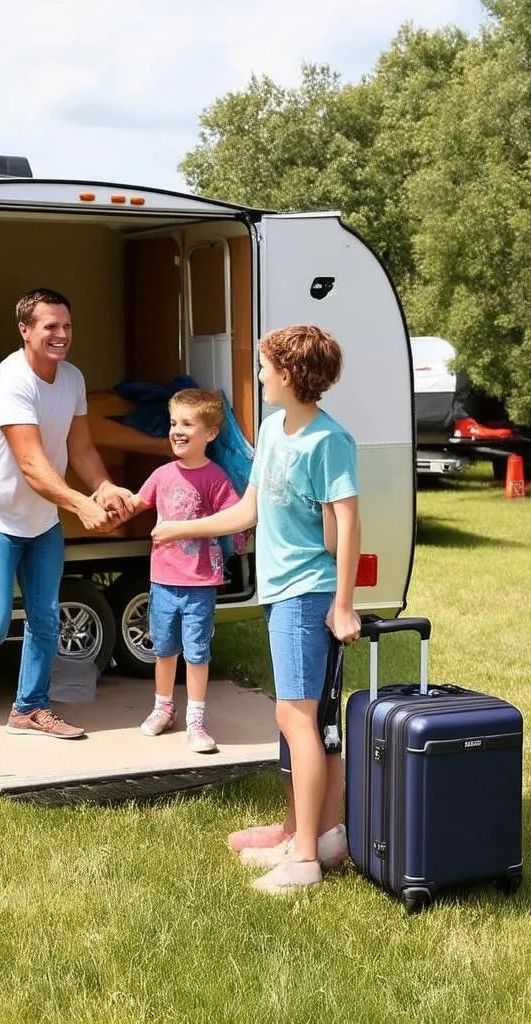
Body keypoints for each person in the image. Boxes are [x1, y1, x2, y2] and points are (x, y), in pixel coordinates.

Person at [152, 324, 361, 893]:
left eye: (266, 367)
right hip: (281, 593)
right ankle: (311, 833)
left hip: (306, 594)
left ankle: (305, 861)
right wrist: (179, 529)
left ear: (291, 374)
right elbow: (248, 511)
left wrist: (343, 605)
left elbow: (347, 524)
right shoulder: (273, 429)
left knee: (298, 720)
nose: (259, 375)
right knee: (311, 723)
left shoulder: (328, 441)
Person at [0, 287, 135, 739]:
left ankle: (30, 708)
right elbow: (33, 465)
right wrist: (81, 504)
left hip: (43, 524)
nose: (61, 335)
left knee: (45, 617)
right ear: (25, 330)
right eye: (50, 327)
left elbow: (79, 448)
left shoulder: (73, 379)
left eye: (67, 326)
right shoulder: (9, 381)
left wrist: (103, 487)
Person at [132, 388, 242, 753]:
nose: (177, 430)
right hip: (163, 581)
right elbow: (136, 502)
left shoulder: (215, 478)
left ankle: (196, 720)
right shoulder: (162, 475)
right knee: (164, 650)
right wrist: (109, 502)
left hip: (200, 584)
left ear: (210, 433)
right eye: (173, 422)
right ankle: (163, 708)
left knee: (197, 653)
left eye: (188, 424)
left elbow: (234, 517)